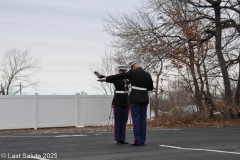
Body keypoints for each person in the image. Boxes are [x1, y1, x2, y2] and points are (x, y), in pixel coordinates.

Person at [98, 60, 154, 146]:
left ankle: (137, 140)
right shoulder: (147, 74)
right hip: (144, 98)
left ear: (134, 67)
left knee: (136, 120)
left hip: (135, 99)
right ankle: (142, 140)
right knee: (143, 120)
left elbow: (118, 76)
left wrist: (105, 78)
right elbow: (150, 88)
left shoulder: (132, 72)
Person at [95, 66, 130, 145]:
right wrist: (101, 77)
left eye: (120, 71)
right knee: (118, 121)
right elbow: (108, 78)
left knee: (124, 120)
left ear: (121, 71)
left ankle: (123, 139)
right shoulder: (116, 78)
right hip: (117, 100)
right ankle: (118, 138)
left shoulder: (129, 79)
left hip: (126, 101)